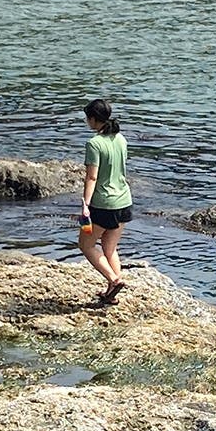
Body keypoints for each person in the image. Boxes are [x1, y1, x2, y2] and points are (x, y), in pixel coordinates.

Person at [78, 98, 131, 306]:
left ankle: (114, 279)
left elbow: (92, 177)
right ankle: (111, 293)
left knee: (86, 244)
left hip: (103, 203)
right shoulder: (121, 139)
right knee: (110, 247)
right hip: (124, 201)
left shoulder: (94, 144)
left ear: (93, 119)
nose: (86, 122)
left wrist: (85, 205)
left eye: (87, 118)